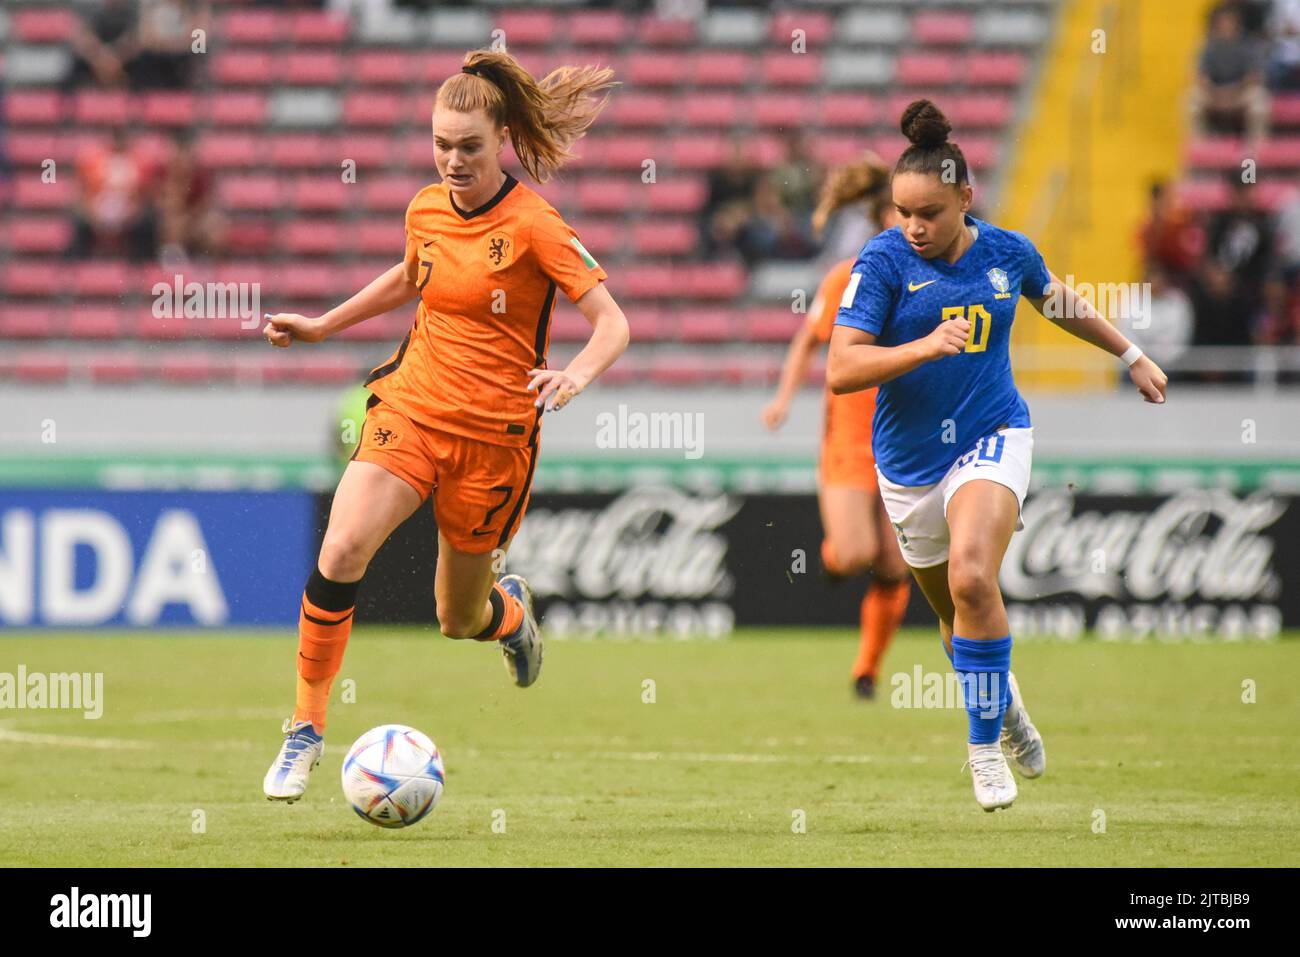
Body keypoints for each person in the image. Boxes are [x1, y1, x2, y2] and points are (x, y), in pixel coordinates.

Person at [259, 50, 630, 804]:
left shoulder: (534, 225)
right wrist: (326, 325)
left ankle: (511, 617)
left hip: (494, 440)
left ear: (501, 139)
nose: (453, 160)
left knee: (457, 617)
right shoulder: (426, 207)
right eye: (440, 144)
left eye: (469, 146)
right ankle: (303, 729)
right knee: (343, 544)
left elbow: (612, 322)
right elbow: (411, 274)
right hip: (413, 408)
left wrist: (575, 375)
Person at [829, 100, 1169, 812]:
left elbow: (1057, 301)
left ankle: (981, 750)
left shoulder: (1007, 252)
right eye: (902, 212)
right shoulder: (883, 260)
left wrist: (1130, 353)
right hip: (907, 463)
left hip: (993, 435)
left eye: (928, 212)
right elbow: (841, 369)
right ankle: (1006, 709)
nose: (913, 227)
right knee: (957, 622)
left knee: (975, 577)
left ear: (964, 197)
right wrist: (923, 344)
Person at [761, 153, 911, 699]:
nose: (913, 224)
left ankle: (866, 670)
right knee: (854, 554)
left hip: (907, 436)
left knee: (895, 564)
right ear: (880, 219)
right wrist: (782, 399)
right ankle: (830, 560)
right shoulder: (848, 276)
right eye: (901, 213)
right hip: (849, 436)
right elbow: (808, 338)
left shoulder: (934, 278)